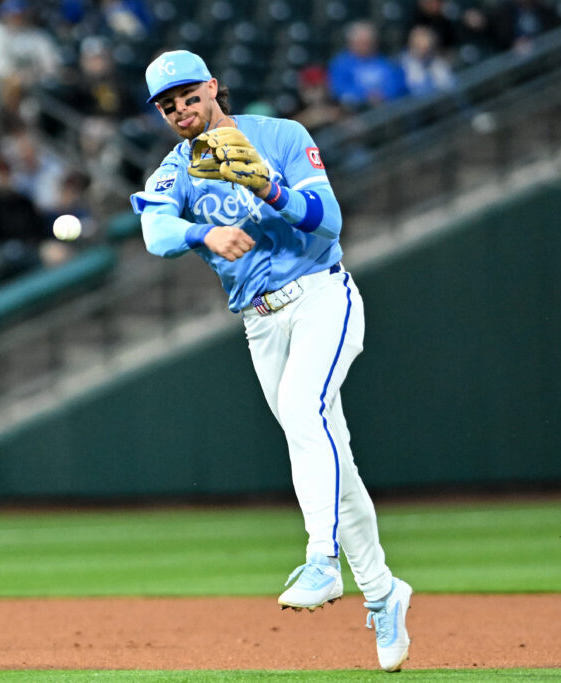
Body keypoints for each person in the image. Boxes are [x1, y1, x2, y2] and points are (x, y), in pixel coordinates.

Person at [129, 50, 413, 672]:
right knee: (330, 458)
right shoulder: (177, 169)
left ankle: (322, 560)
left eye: (188, 94)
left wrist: (267, 187)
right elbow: (154, 232)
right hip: (259, 323)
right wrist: (202, 232)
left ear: (212, 87)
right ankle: (383, 593)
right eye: (168, 104)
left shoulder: (280, 135)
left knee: (303, 411)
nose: (180, 108)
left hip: (319, 295)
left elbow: (328, 220)